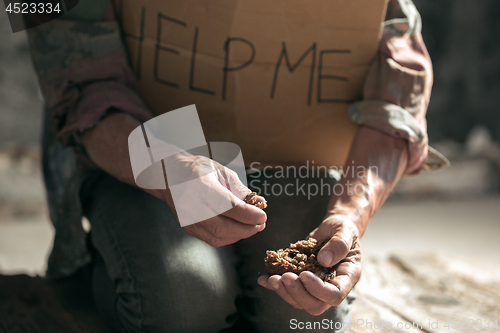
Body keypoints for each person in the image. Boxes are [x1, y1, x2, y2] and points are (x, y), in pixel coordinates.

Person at [26, 0, 446, 332]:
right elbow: (81, 89)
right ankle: (92, 263)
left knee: (303, 318)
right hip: (138, 154)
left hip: (295, 163)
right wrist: (169, 169)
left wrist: (349, 214)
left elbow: (397, 102)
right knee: (181, 309)